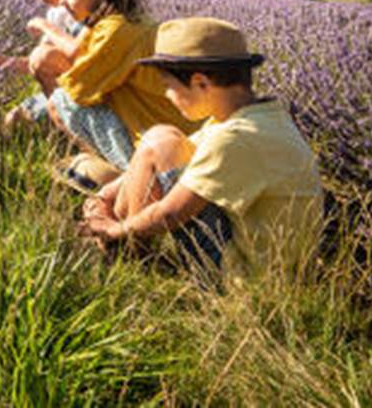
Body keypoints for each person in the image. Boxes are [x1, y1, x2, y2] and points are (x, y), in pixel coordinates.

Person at [80, 17, 323, 279]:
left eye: (168, 87)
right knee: (164, 140)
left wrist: (115, 229)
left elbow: (171, 213)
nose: (168, 97)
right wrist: (104, 196)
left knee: (160, 141)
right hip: (270, 265)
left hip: (247, 278)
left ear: (201, 83)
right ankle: (119, 251)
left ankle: (124, 259)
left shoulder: (235, 138)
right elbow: (165, 155)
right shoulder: (258, 118)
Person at [46, 0, 197, 177]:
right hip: (177, 133)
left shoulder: (116, 30)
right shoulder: (131, 20)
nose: (62, 3)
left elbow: (78, 90)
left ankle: (124, 176)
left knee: (60, 101)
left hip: (159, 141)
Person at [0, 0, 85, 128]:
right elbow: (35, 63)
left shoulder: (86, 12)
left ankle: (71, 130)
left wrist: (46, 27)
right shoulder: (55, 13)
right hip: (62, 90)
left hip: (86, 96)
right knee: (11, 120)